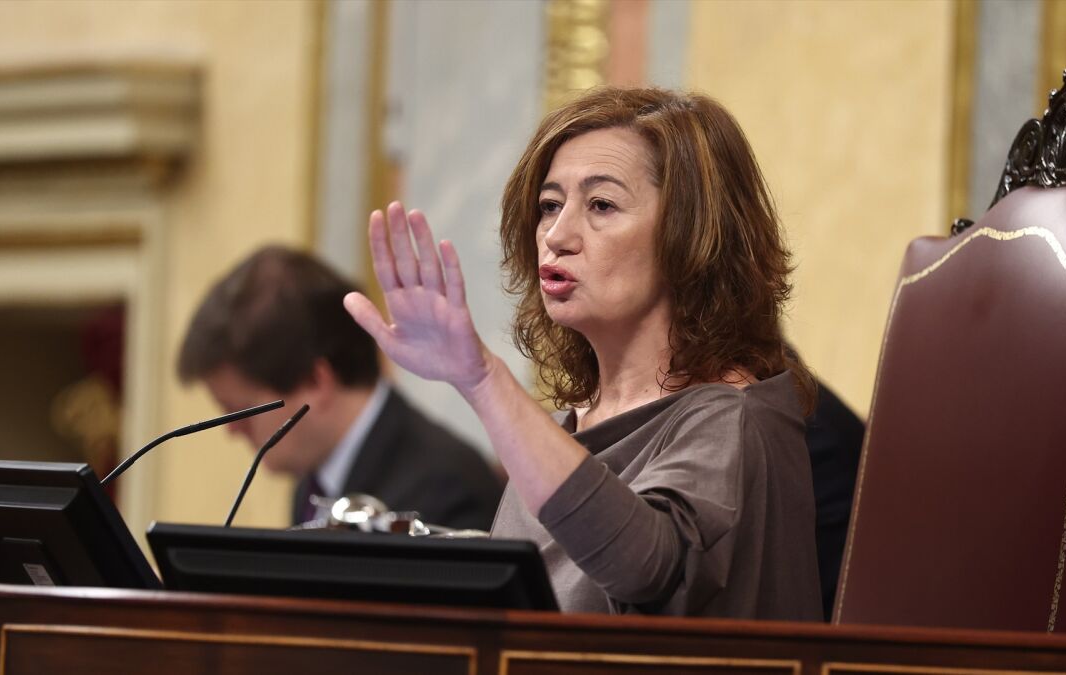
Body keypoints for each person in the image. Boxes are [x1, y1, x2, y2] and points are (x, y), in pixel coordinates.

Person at [343, 87, 822, 618]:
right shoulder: (560, 430)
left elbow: (648, 569)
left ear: (692, 236)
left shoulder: (734, 419)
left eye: (601, 205)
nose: (557, 234)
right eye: (550, 206)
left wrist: (481, 380)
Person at [176, 246, 504, 531]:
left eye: (240, 411)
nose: (232, 430)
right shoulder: (313, 480)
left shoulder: (446, 490)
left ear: (316, 381)